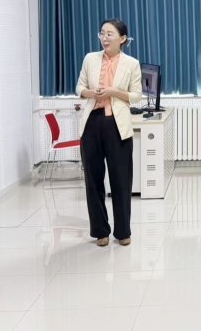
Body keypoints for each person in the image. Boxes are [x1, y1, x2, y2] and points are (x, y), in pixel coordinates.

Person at [76, 18, 142, 247]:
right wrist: (89, 93)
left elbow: (136, 96)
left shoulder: (131, 63)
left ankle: (123, 231)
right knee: (93, 179)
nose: (104, 38)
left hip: (117, 124)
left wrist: (113, 91)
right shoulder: (90, 59)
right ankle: (100, 230)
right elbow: (79, 87)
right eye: (102, 33)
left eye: (110, 34)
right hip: (92, 123)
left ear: (122, 39)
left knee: (121, 179)